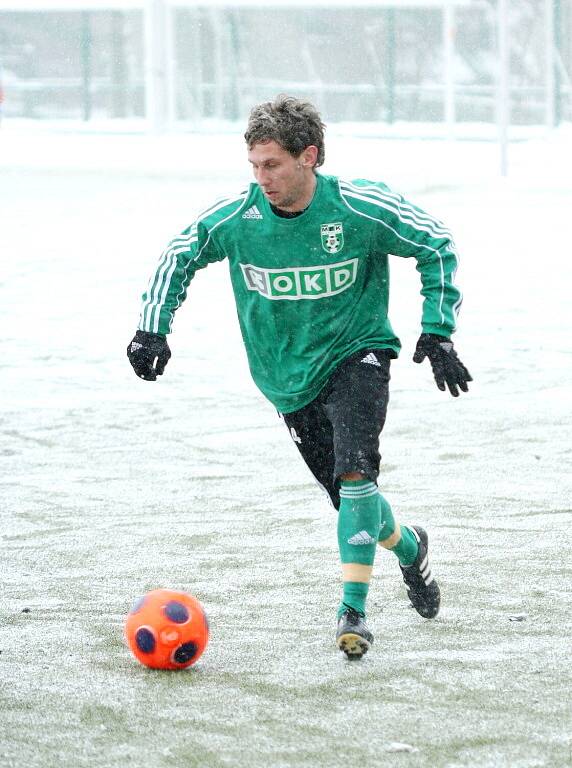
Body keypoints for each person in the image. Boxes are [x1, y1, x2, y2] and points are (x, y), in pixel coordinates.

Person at [127, 95, 472, 660]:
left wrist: (437, 331)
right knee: (352, 502)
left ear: (308, 156)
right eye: (254, 166)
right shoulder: (238, 221)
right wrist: (152, 329)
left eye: (273, 165)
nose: (261, 178)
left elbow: (436, 243)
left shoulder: (358, 209)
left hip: (357, 353)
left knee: (357, 473)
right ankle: (409, 547)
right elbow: (178, 255)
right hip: (286, 378)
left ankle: (352, 610)